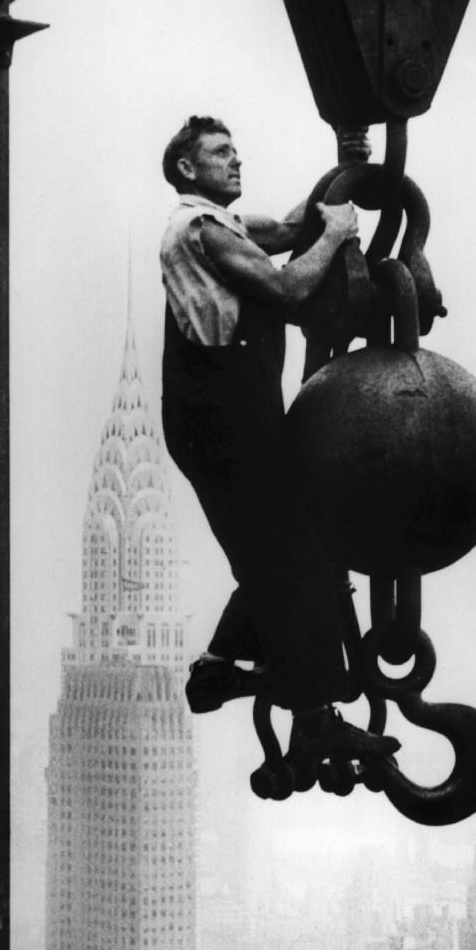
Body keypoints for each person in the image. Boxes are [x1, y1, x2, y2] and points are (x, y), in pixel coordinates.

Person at [158, 115, 399, 765]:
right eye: (219, 153)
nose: (236, 160)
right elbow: (292, 291)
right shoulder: (198, 228)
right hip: (221, 415)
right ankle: (314, 715)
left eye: (237, 150)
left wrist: (338, 188)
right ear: (187, 169)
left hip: (241, 411)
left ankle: (220, 671)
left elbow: (292, 229)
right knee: (285, 557)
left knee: (291, 547)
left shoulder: (229, 225)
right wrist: (343, 232)